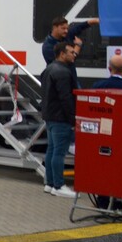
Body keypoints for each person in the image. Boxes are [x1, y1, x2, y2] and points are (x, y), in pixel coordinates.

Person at [39, 41, 77, 198]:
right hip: (61, 117)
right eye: (71, 52)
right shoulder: (63, 72)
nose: (74, 55)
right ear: (62, 53)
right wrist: (73, 118)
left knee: (52, 150)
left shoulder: (48, 69)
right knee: (59, 152)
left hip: (49, 116)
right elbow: (66, 98)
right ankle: (59, 185)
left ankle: (49, 183)